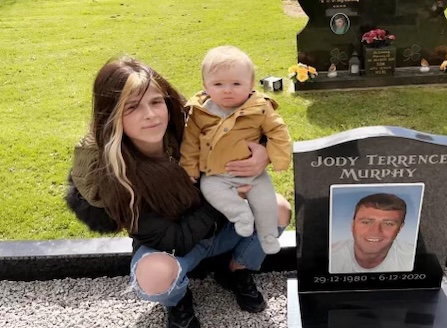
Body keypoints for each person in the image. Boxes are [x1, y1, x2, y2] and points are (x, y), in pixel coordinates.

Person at [64, 57, 291, 328]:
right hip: (172, 248)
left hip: (222, 229)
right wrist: (219, 200)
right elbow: (174, 240)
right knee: (155, 275)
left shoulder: (191, 123)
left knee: (277, 208)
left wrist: (264, 152)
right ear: (111, 116)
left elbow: (253, 115)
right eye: (132, 107)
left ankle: (236, 271)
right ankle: (177, 300)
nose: (150, 114)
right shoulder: (111, 174)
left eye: (156, 102)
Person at [180, 45, 291, 255]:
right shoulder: (199, 112)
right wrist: (189, 169)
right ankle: (240, 214)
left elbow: (278, 131)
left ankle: (267, 234)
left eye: (236, 83)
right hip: (216, 175)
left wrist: (278, 158)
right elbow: (190, 142)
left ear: (250, 84)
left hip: (253, 174)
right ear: (205, 86)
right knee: (212, 192)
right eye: (218, 84)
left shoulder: (259, 107)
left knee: (266, 203)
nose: (227, 90)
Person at [330, 193, 415, 273]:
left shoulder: (413, 258)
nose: (375, 231)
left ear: (400, 228)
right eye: (366, 222)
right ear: (353, 225)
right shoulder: (331, 255)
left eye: (388, 224)